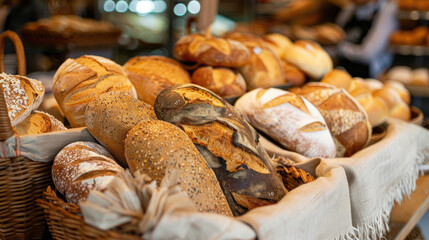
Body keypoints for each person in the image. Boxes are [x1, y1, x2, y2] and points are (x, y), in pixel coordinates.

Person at [336, 0, 398, 78]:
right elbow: (336, 36)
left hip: (371, 77)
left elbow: (368, 53)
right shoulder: (349, 9)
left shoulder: (387, 9)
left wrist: (339, 48)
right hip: (342, 72)